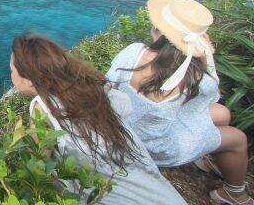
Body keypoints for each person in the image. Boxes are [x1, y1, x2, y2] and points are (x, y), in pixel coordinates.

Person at [107, 0, 252, 205]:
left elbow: (109, 82)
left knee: (222, 114)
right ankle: (233, 193)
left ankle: (209, 159)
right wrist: (203, 58)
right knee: (238, 138)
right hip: (156, 147)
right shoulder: (194, 75)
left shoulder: (134, 52)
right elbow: (213, 95)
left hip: (122, 130)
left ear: (158, 31)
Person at [10, 32, 186, 205]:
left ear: (29, 81)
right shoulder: (90, 83)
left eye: (12, 71)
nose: (11, 76)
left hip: (105, 191)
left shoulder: (44, 106)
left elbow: (37, 165)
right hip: (144, 180)